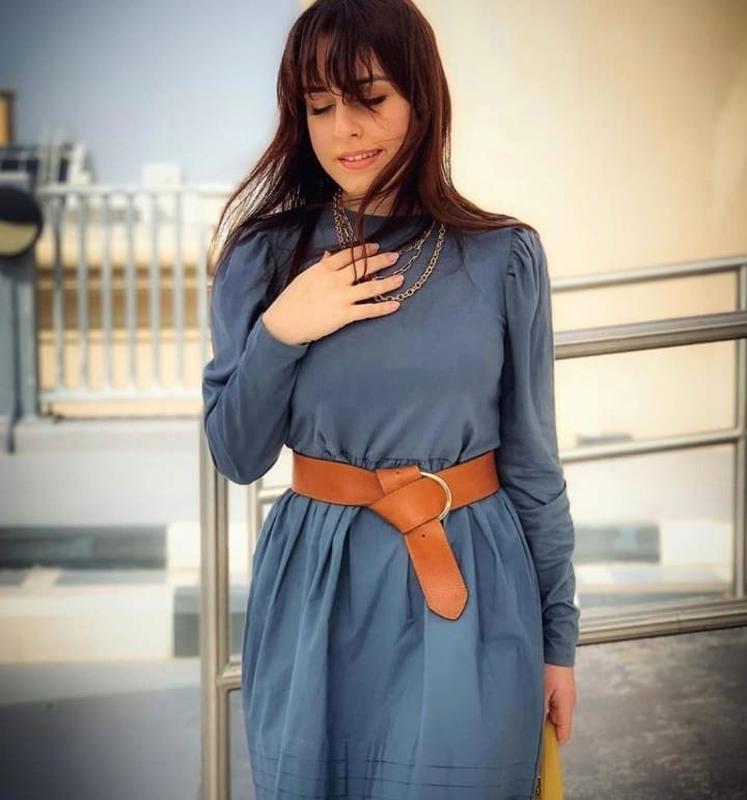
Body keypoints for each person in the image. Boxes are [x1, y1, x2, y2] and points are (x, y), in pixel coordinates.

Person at [201, 0, 580, 797]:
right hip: (317, 590)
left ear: (421, 97)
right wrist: (283, 328)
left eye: (369, 98)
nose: (344, 129)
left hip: (474, 586)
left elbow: (533, 460)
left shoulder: (503, 256)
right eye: (319, 106)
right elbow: (236, 455)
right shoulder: (265, 256)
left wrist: (558, 641)